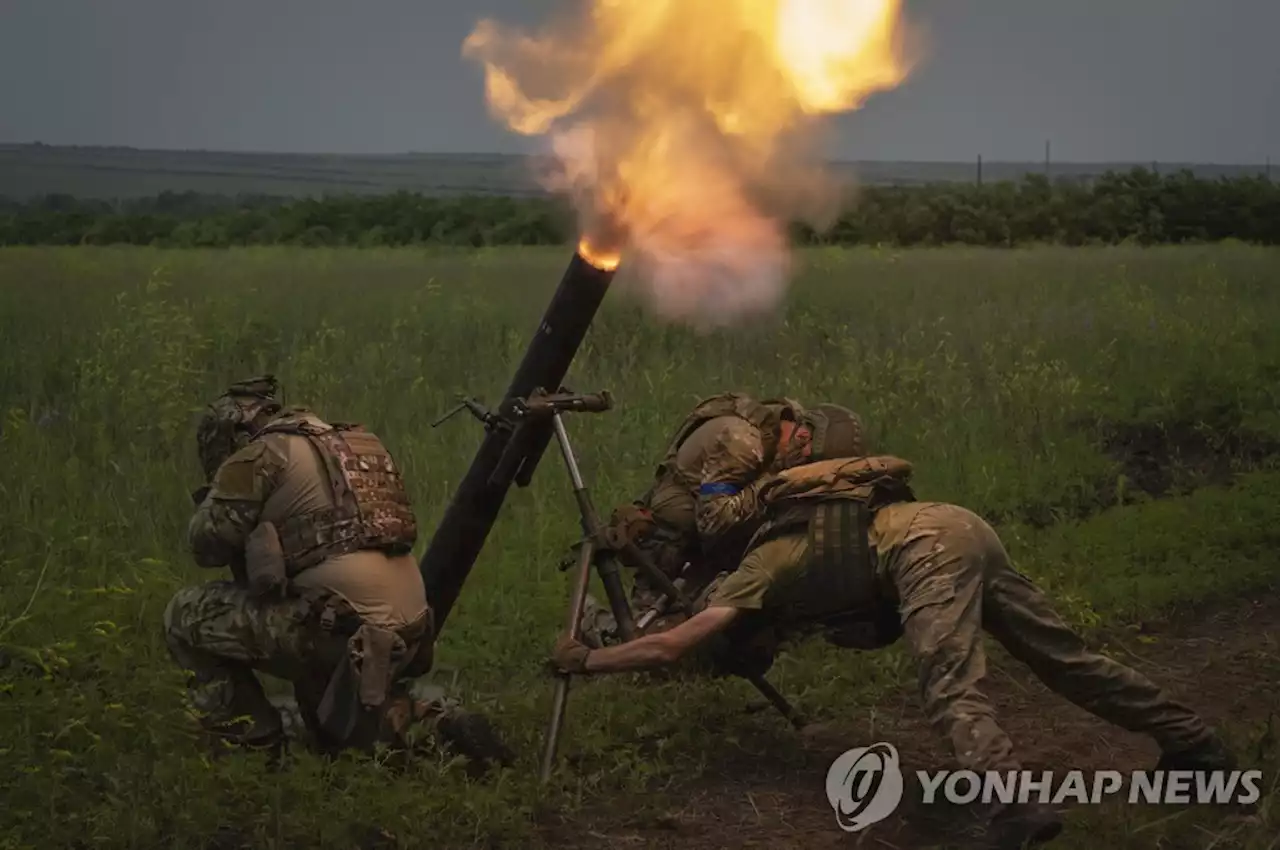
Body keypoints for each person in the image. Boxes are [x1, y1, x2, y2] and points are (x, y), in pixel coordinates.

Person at [551, 415, 1236, 848]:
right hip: (959, 525)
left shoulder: (759, 565)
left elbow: (676, 643)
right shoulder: (813, 520)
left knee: (948, 685)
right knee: (1066, 660)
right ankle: (1194, 741)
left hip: (925, 554)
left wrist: (588, 658)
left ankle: (1013, 804)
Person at [164, 376, 509, 766]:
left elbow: (205, 546)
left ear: (231, 436)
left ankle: (251, 746)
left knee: (184, 614)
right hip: (410, 626)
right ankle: (436, 721)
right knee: (333, 736)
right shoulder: (355, 443)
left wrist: (217, 494)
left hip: (337, 629)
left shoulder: (258, 455)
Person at [581, 393, 863, 645]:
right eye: (812, 464)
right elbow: (712, 522)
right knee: (641, 640)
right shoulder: (743, 444)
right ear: (803, 439)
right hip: (679, 529)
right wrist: (777, 485)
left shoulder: (792, 428)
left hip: (721, 527)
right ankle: (590, 619)